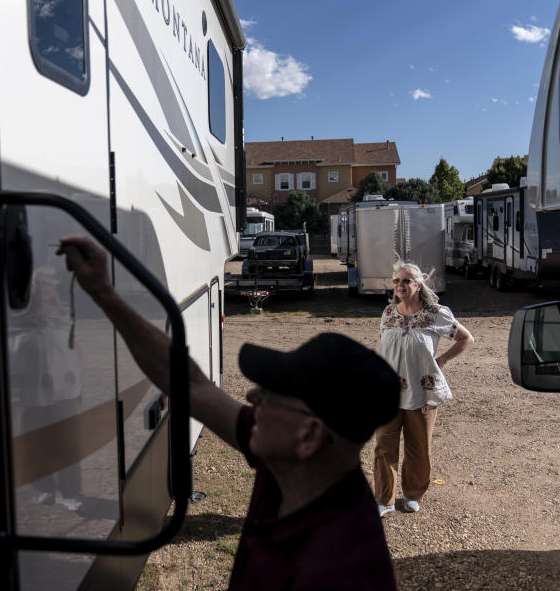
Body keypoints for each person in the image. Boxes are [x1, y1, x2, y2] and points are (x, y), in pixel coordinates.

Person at [57, 236, 400, 590]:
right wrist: (104, 292)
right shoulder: (295, 464)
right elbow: (191, 386)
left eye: (271, 395)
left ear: (309, 436)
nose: (252, 395)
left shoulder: (335, 571)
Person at [374, 262, 474, 517]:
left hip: (424, 390)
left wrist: (442, 360)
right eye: (397, 281)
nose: (400, 285)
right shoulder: (388, 313)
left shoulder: (435, 313)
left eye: (406, 281)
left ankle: (412, 494)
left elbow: (466, 338)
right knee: (384, 446)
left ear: (418, 285)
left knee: (418, 447)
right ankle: (384, 499)